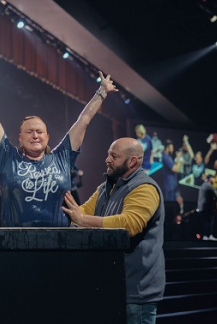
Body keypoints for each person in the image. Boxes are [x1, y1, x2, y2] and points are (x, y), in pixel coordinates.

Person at [0, 63, 118, 227]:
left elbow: (83, 121)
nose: (35, 135)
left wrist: (102, 92)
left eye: (39, 132)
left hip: (58, 242)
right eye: (29, 132)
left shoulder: (62, 157)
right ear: (20, 138)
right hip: (15, 243)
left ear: (47, 137)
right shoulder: (8, 158)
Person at [61, 137, 165, 324]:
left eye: (114, 156)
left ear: (132, 161)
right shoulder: (105, 187)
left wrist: (83, 220)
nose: (107, 159)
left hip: (136, 293)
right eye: (109, 154)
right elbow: (80, 213)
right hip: (112, 287)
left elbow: (130, 224)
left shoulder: (145, 188)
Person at [197, 175, 217, 241]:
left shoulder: (204, 185)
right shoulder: (209, 186)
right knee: (209, 221)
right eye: (213, 178)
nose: (214, 180)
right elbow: (216, 196)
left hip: (203, 207)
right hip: (206, 207)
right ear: (210, 179)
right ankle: (208, 235)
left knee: (207, 221)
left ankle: (207, 235)